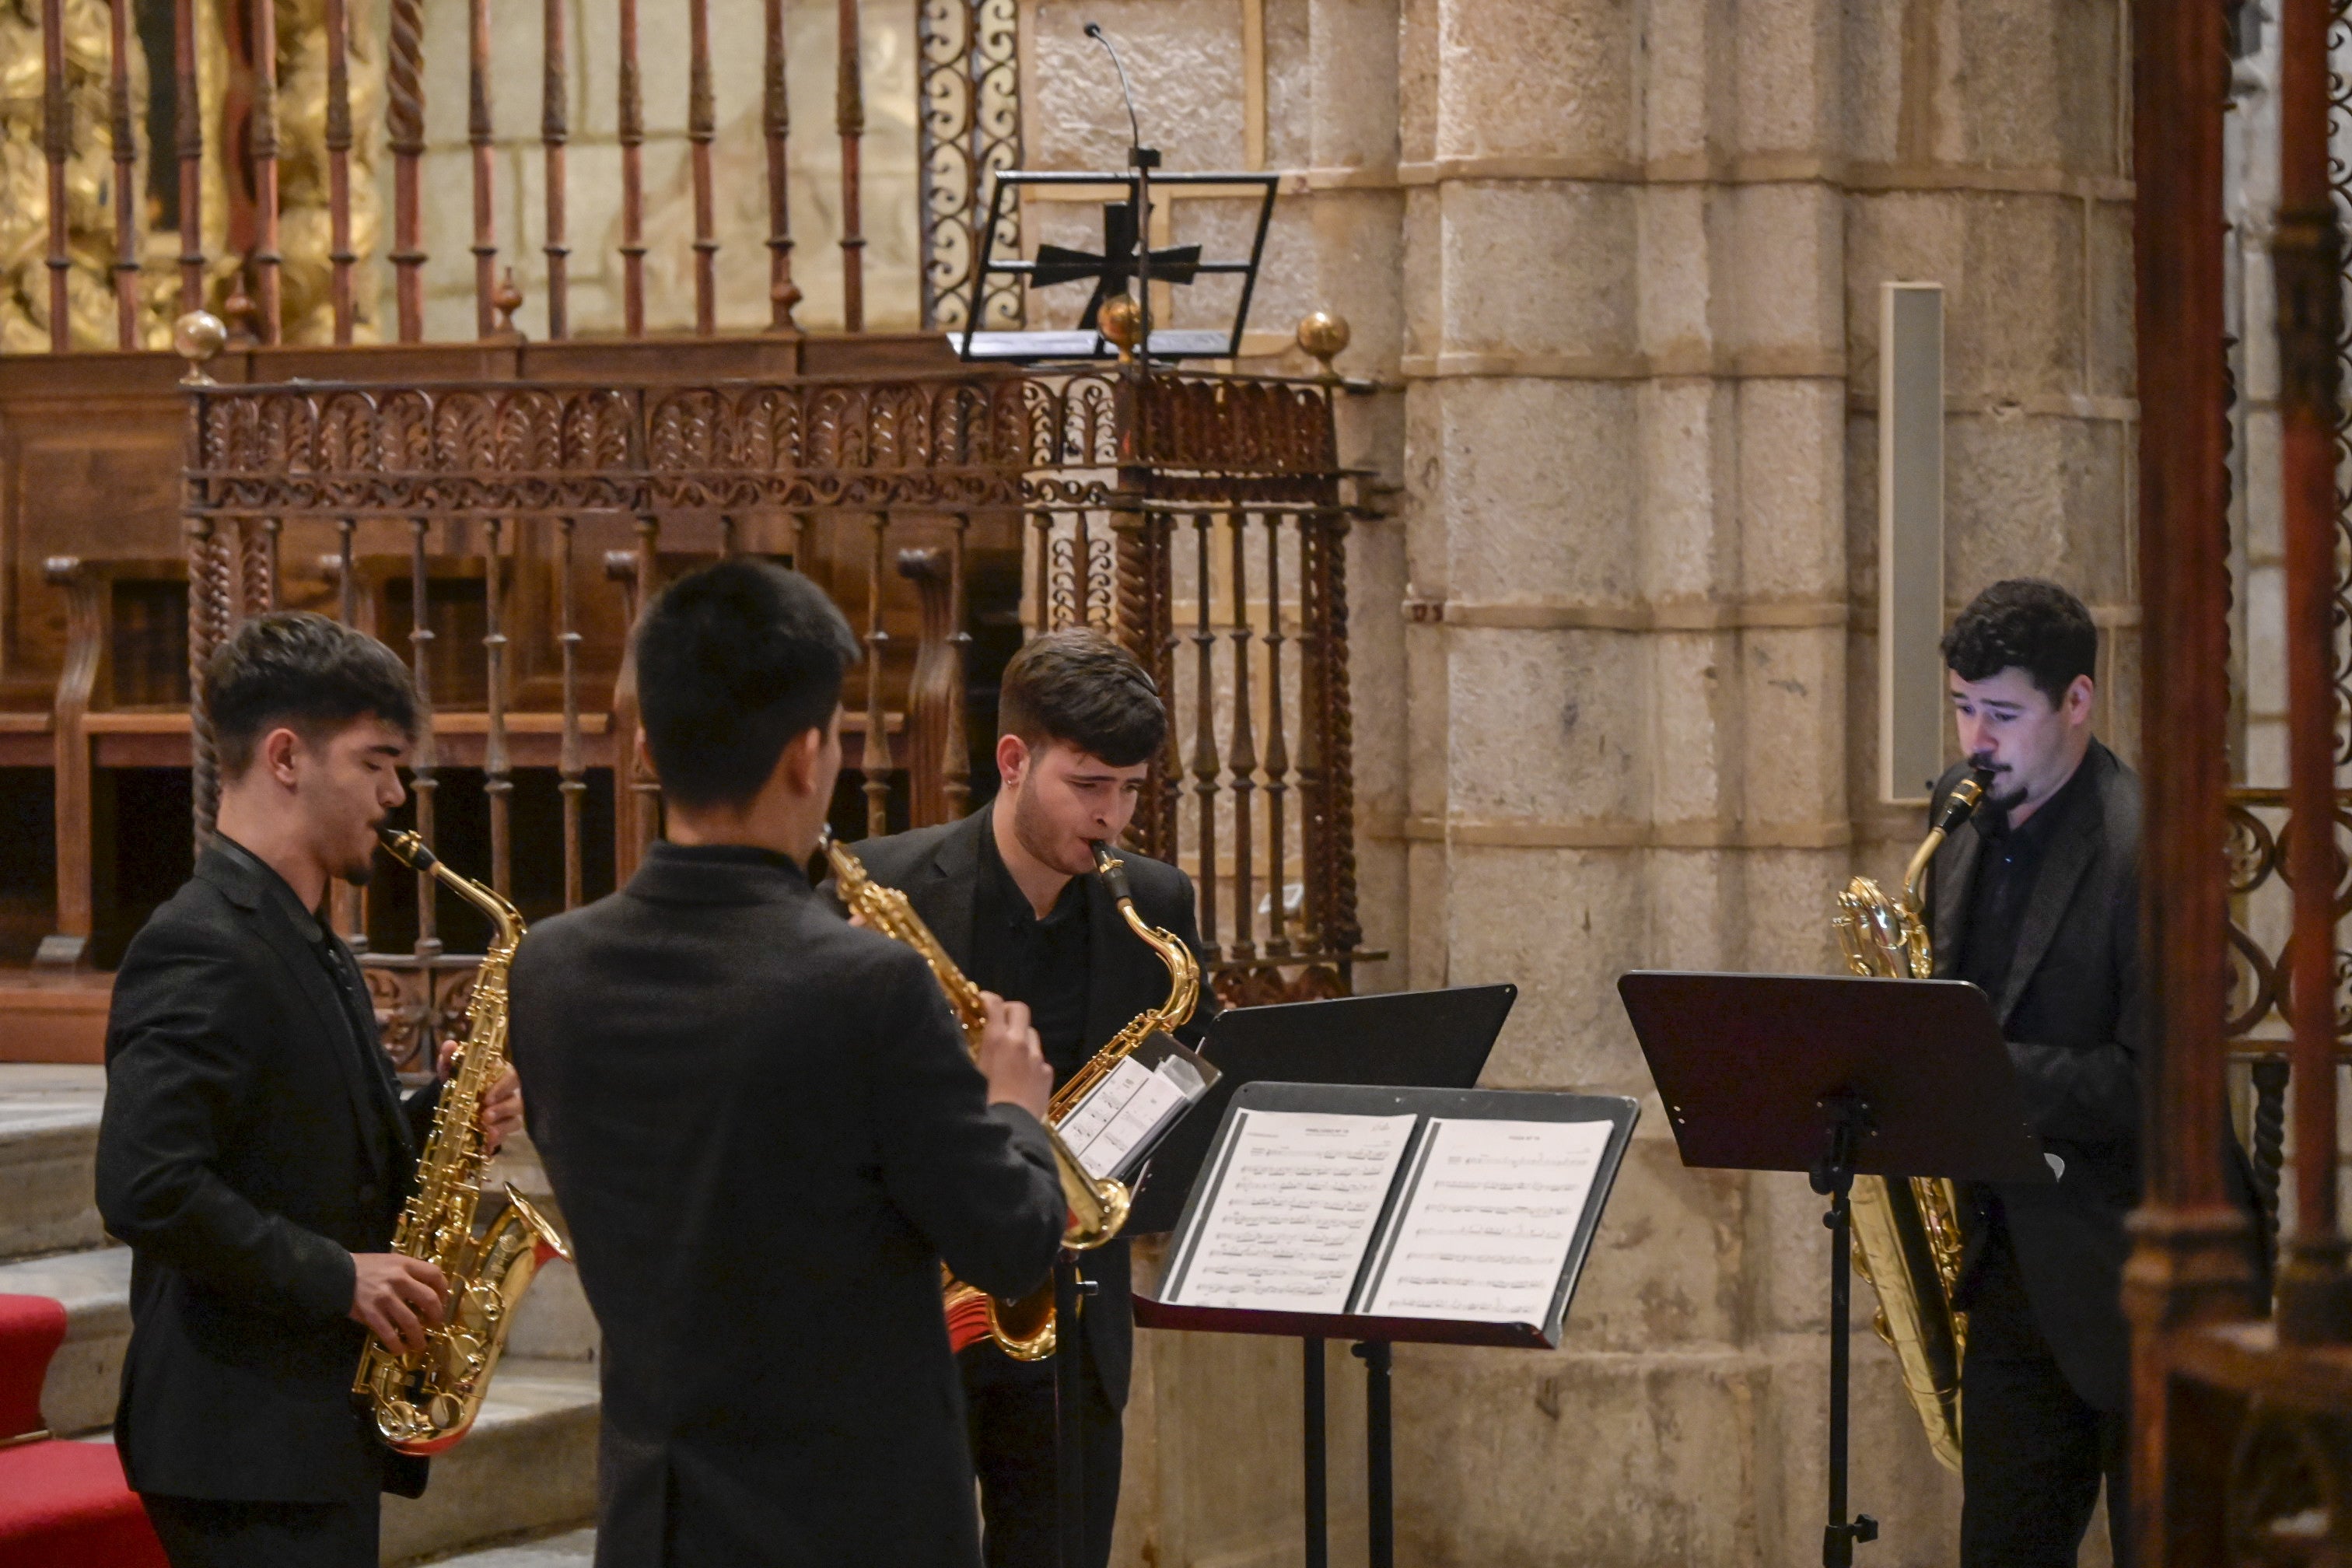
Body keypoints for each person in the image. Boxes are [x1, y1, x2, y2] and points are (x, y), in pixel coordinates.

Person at [507, 558, 1067, 1566]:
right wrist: (1014, 1109)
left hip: (660, 1523)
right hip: (851, 1528)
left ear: (645, 745)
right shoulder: (870, 987)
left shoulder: (550, 972)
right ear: (809, 757)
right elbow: (1014, 1248)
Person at [96, 611, 523, 1568]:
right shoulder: (202, 942)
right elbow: (146, 1183)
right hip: (238, 1441)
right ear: (287, 757)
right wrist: (341, 1275)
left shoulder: (303, 932)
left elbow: (290, 1140)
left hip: (297, 1429)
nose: (396, 793)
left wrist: (442, 1113)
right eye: (377, 762)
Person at [850, 626, 1217, 1568]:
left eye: (1131, 789)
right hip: (915, 1315)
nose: (1112, 818)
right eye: (1089, 785)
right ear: (1014, 760)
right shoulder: (885, 887)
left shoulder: (1158, 906)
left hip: (1074, 1312)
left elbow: (1184, 1084)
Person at [1926, 578, 2263, 1567]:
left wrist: (1975, 1067)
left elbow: (2156, 1086)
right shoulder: (1962, 811)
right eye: (1962, 707)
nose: (1977, 741)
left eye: (2002, 714)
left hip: (2151, 1267)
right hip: (2014, 1266)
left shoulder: (2150, 846)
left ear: (2079, 701)